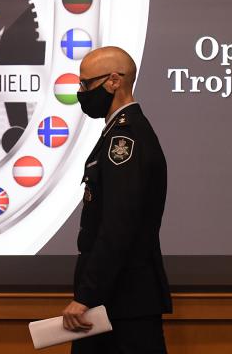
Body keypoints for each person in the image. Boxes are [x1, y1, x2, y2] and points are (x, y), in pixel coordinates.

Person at [61, 46, 172, 353]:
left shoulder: (126, 140)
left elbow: (117, 227)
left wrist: (86, 295)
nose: (81, 92)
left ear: (113, 81)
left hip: (121, 305)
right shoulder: (117, 134)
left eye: (86, 84)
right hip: (114, 303)